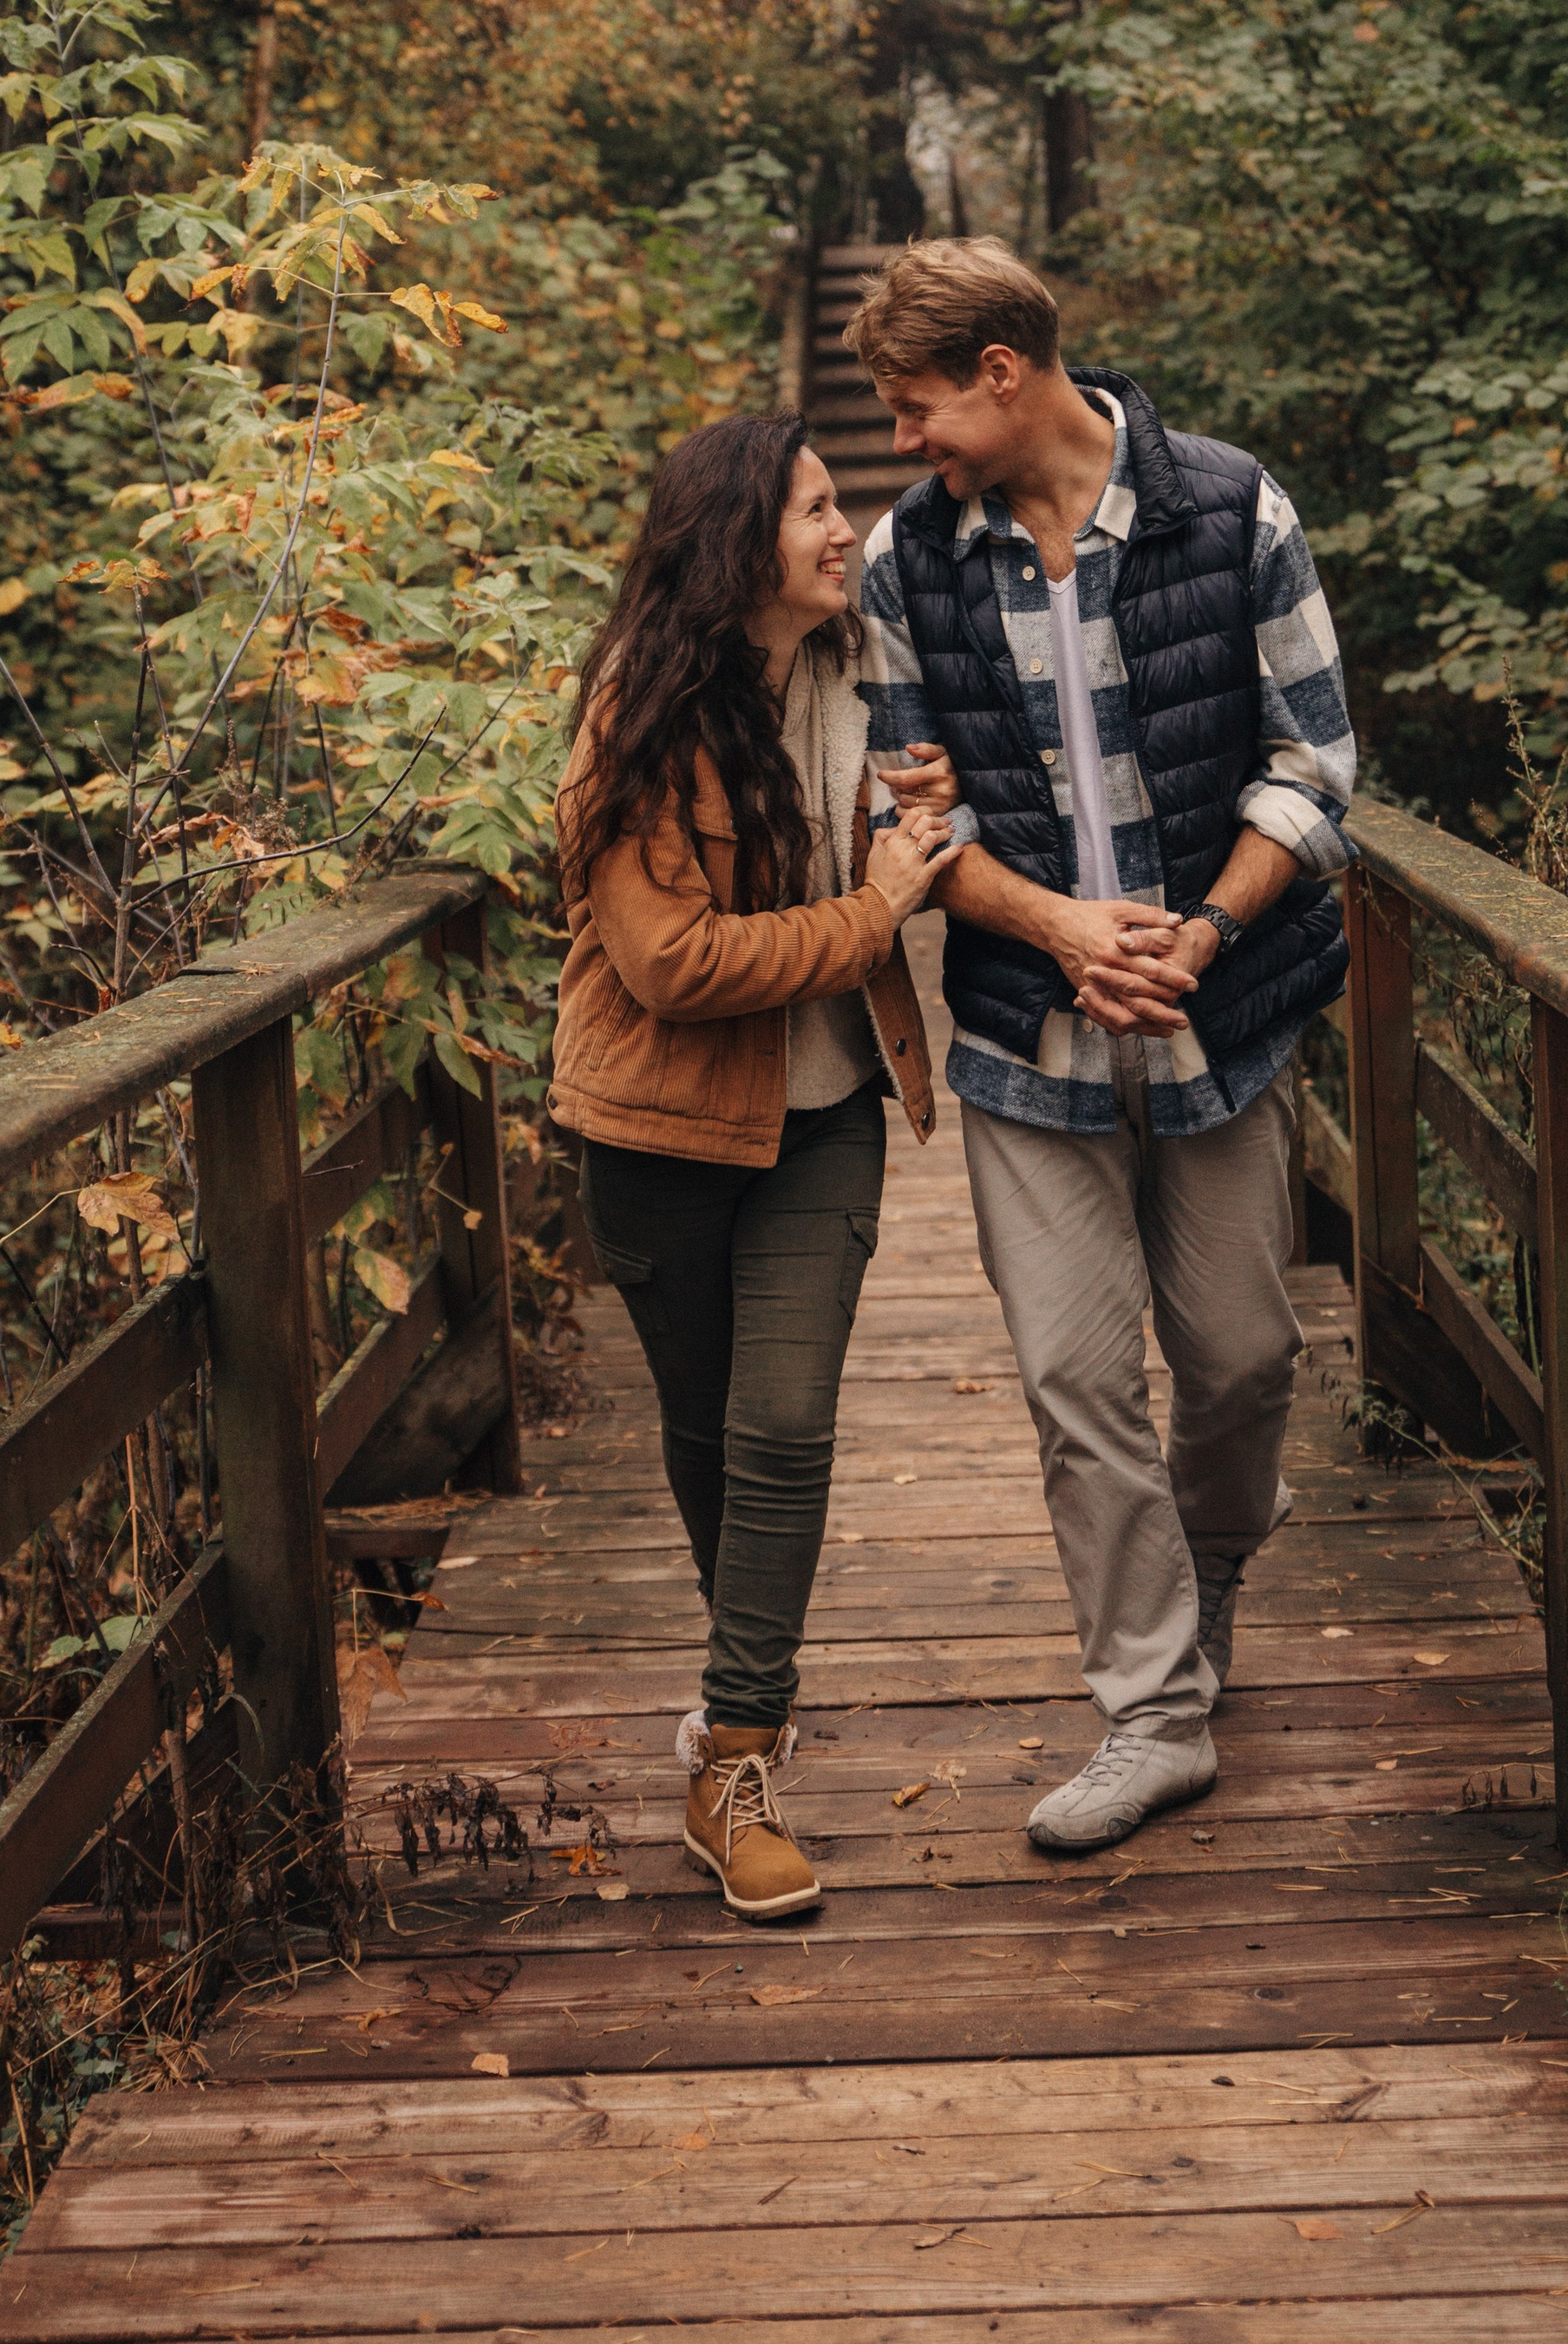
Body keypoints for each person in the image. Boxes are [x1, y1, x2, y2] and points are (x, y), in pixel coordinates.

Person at [850, 239, 1356, 1853]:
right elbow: (904, 812)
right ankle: (1150, 1713)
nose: (904, 440)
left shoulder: (1232, 509)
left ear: (1005, 371)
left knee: (1241, 1363)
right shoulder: (904, 564)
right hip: (1024, 1035)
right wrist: (1065, 931)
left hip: (1220, 1015)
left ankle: (1210, 1572)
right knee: (1077, 1382)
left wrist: (1198, 935)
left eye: (917, 406)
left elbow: (1316, 760)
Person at [550, 411, 961, 1921]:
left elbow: (928, 823)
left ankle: (731, 1763)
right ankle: (751, 1693)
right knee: (709, 1437)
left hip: (827, 1111)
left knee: (780, 1428)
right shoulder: (641, 713)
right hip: (657, 1125)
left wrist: (916, 817)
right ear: (736, 550)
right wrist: (869, 914)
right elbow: (666, 961)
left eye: (840, 502)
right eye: (811, 512)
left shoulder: (863, 666)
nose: (845, 529)